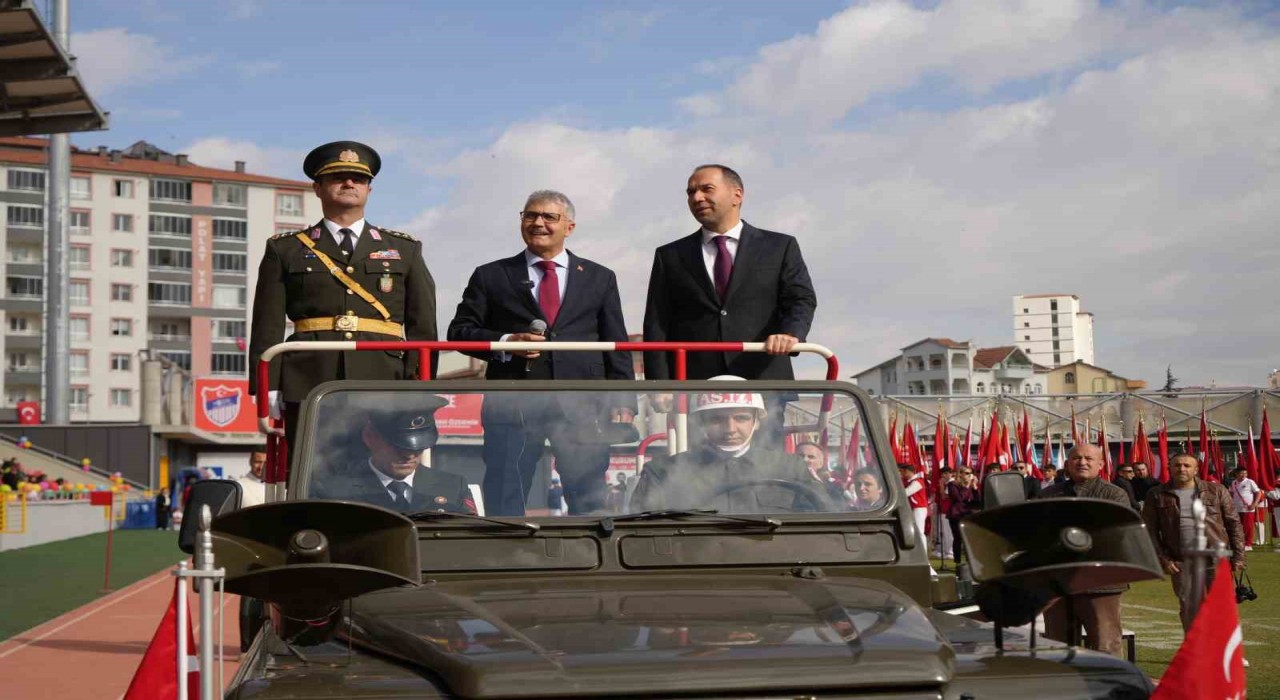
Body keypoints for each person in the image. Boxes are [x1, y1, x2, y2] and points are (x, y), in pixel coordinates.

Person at [447, 190, 635, 516]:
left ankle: (588, 562)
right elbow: (459, 333)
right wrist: (506, 341)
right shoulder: (491, 275)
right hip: (513, 403)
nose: (538, 223)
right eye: (530, 215)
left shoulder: (599, 277)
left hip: (581, 405)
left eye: (550, 217)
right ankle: (506, 560)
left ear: (570, 227)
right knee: (506, 493)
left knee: (588, 498)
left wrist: (623, 399)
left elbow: (615, 341)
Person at [248, 141, 438, 449]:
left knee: (380, 466)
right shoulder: (285, 248)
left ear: (368, 191)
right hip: (309, 375)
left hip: (383, 376)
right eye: (338, 177)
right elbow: (266, 322)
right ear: (318, 188)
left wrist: (421, 382)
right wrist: (267, 384)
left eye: (359, 178)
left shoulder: (404, 249)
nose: (350, 183)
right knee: (311, 469)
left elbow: (423, 324)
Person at [642, 165, 817, 442]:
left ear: (737, 195)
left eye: (706, 189)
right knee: (700, 474)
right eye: (690, 192)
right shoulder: (671, 255)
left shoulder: (778, 246)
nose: (696, 197)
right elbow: (657, 322)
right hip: (697, 385)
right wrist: (659, 384)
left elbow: (801, 298)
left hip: (762, 377)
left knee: (763, 468)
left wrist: (791, 334)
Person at [630, 380, 825, 513]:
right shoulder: (663, 472)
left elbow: (824, 521)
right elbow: (642, 531)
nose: (730, 429)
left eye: (741, 418)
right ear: (701, 422)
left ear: (756, 422)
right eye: (717, 419)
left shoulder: (792, 468)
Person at [1040, 444, 1132, 656]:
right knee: (1058, 648)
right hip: (1058, 585)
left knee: (1105, 646)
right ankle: (1066, 688)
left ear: (1100, 464)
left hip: (1101, 584)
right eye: (1077, 458)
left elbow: (1114, 536)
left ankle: (1109, 688)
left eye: (1089, 459)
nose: (1082, 462)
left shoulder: (1114, 495)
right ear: (1067, 464)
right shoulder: (1048, 496)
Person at [311, 398, 475, 514]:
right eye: (398, 446)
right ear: (370, 437)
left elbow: (468, 542)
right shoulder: (332, 492)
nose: (409, 455)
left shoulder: (453, 487)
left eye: (418, 447)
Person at [1142, 453, 1246, 631]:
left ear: (1196, 469)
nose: (1182, 469)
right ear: (1170, 468)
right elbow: (1149, 530)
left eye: (1187, 465)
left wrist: (1239, 556)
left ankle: (1224, 654)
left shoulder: (1217, 490)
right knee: (1190, 609)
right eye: (1177, 465)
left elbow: (1233, 524)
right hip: (1180, 560)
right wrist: (1162, 558)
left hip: (1216, 558)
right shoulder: (1156, 494)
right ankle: (1196, 653)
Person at [945, 467, 981, 564]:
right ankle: (957, 561)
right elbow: (959, 498)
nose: (969, 476)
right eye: (966, 473)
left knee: (969, 538)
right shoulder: (952, 484)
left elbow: (977, 501)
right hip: (956, 514)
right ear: (960, 474)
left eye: (970, 473)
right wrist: (966, 486)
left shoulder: (970, 485)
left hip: (968, 514)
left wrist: (974, 487)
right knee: (958, 538)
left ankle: (970, 561)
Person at [1227, 466, 1263, 551]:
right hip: (1237, 508)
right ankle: (1240, 543)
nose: (1244, 475)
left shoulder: (1250, 482)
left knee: (1248, 527)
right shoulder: (1234, 483)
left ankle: (1248, 544)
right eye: (1241, 473)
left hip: (1248, 508)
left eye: (1245, 473)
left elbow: (1258, 493)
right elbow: (1232, 494)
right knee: (1238, 527)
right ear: (1236, 474)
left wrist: (1254, 503)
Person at [899, 463, 930, 545]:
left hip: (919, 508)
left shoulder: (917, 482)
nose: (902, 474)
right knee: (916, 531)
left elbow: (906, 493)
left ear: (908, 472)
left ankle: (923, 551)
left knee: (919, 531)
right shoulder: (912, 481)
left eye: (903, 472)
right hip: (915, 508)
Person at [934, 467, 955, 559]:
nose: (944, 475)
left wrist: (941, 485)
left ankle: (950, 551)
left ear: (951, 474)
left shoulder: (952, 483)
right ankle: (941, 550)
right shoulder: (946, 483)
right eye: (943, 473)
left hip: (950, 510)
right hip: (942, 510)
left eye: (947, 473)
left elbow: (944, 496)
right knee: (941, 531)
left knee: (948, 532)